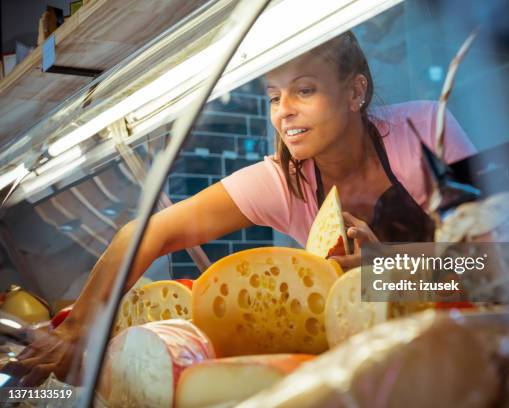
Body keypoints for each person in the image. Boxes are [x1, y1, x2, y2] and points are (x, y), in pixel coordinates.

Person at [1, 32, 475, 386]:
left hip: (469, 344)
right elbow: (146, 232)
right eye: (273, 96)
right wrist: (76, 328)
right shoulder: (282, 180)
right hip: (375, 368)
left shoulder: (424, 127)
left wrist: (389, 265)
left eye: (304, 90)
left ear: (355, 92)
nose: (283, 110)